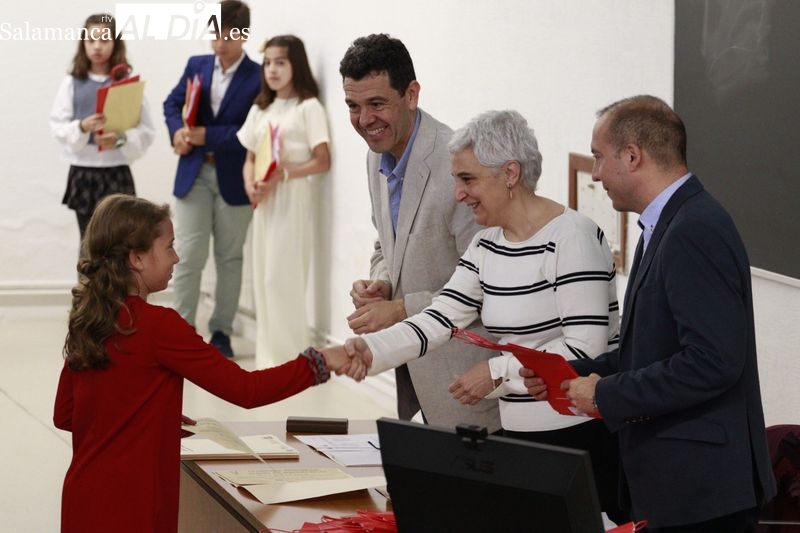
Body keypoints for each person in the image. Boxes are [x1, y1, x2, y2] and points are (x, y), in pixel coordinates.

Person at [344, 109, 626, 523]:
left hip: (578, 437)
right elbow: (438, 318)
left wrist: (496, 372)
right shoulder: (487, 245)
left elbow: (583, 349)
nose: (459, 194)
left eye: (467, 179)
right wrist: (367, 351)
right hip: (518, 434)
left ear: (510, 173)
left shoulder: (573, 237)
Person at [523, 95, 777, 531]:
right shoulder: (664, 224)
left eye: (600, 158)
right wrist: (568, 371)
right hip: (678, 485)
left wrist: (606, 395)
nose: (597, 172)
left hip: (703, 493)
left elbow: (713, 362)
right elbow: (652, 350)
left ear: (633, 156)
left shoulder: (692, 229)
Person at [53, 194, 354, 533]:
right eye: (169, 247)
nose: (177, 258)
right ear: (137, 258)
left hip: (82, 498)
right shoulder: (159, 326)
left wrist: (154, 416)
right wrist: (321, 361)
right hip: (135, 504)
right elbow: (247, 390)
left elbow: (65, 414)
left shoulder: (89, 320)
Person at [339, 33, 499, 430]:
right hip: (422, 378)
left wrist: (399, 309)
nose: (364, 120)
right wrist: (380, 282)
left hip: (471, 386)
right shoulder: (376, 153)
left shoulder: (455, 166)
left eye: (377, 104)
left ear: (411, 94)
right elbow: (386, 244)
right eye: (353, 106)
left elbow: (491, 282)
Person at [162, 0, 259, 358]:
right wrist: (176, 133)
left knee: (229, 258)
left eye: (230, 35)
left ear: (244, 34)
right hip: (194, 172)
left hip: (236, 177)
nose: (221, 43)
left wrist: (207, 136)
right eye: (215, 34)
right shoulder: (196, 65)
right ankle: (182, 329)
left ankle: (221, 332)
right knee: (186, 254)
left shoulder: (258, 76)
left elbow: (253, 130)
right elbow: (171, 105)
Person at [236, 35, 331, 367]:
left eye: (280, 62)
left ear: (296, 65)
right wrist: (252, 186)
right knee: (263, 279)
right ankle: (269, 358)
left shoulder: (309, 107)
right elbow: (249, 158)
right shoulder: (260, 108)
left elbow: (323, 160)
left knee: (282, 279)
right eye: (267, 62)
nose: (272, 69)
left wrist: (285, 175)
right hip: (265, 203)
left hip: (293, 200)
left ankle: (293, 360)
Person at [49, 13, 155, 242]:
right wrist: (82, 127)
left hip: (116, 171)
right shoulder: (72, 82)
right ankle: (87, 280)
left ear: (115, 43)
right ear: (83, 43)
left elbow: (147, 131)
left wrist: (120, 139)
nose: (97, 47)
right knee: (88, 242)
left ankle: (119, 280)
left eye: (104, 40)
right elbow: (57, 126)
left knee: (121, 243)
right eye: (91, 40)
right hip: (83, 172)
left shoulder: (127, 84)